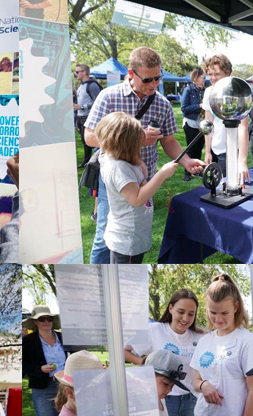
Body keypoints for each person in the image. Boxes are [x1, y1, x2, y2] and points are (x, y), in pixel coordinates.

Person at [83, 46, 204, 265]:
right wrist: (132, 140)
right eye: (148, 80)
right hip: (113, 178)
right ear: (131, 74)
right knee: (105, 236)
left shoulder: (162, 103)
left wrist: (186, 161)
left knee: (134, 227)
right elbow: (89, 137)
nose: (154, 85)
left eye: (158, 78)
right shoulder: (109, 97)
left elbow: (168, 141)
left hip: (143, 174)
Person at [125, 288, 204, 416]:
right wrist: (145, 363)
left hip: (189, 400)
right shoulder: (154, 330)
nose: (185, 318)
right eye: (181, 311)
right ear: (170, 308)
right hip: (162, 399)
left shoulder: (200, 337)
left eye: (191, 314)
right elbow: (125, 350)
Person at [189, 273, 253, 416]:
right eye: (213, 312)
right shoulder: (206, 340)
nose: (218, 319)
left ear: (236, 307)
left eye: (224, 313)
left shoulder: (247, 341)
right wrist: (204, 386)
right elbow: (196, 380)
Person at [95, 111, 181, 263]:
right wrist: (161, 174)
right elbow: (136, 199)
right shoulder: (117, 168)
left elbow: (143, 173)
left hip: (133, 235)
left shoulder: (121, 158)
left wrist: (135, 155)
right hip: (126, 241)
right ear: (125, 143)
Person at [200, 54, 252, 188]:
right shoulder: (208, 92)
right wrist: (207, 151)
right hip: (216, 146)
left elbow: (243, 128)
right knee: (217, 187)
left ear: (227, 73)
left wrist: (242, 161)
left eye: (216, 74)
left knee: (230, 187)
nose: (212, 78)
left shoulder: (237, 91)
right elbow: (208, 123)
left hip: (231, 147)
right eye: (209, 74)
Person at [25, 306, 67, 416]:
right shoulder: (29, 341)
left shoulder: (62, 337)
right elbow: (24, 366)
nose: (46, 321)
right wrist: (40, 369)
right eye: (41, 319)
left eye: (49, 318)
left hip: (66, 383)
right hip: (43, 386)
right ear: (35, 322)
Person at [74, 64, 102, 166]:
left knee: (92, 140)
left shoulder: (92, 85)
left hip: (89, 117)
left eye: (77, 72)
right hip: (81, 117)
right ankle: (87, 162)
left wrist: (82, 107)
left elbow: (98, 101)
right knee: (84, 140)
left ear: (84, 72)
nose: (75, 74)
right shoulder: (81, 85)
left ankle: (95, 162)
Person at [180, 67, 206, 162]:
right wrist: (199, 106)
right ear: (197, 77)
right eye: (203, 76)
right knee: (191, 149)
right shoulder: (188, 89)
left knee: (199, 149)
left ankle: (197, 169)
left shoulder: (205, 90)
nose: (205, 79)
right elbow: (184, 108)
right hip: (191, 123)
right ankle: (188, 173)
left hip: (203, 124)